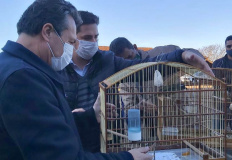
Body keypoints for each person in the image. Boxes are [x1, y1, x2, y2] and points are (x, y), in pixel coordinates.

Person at [0, 1, 152, 160]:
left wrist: (90, 116)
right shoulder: (23, 79)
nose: (73, 48)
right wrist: (128, 157)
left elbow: (44, 130)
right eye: (71, 41)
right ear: (48, 32)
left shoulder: (11, 66)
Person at [60, 11, 214, 153]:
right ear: (71, 39)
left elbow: (143, 68)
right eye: (87, 38)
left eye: (96, 37)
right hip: (69, 140)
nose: (93, 42)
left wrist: (181, 56)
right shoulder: (56, 65)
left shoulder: (107, 61)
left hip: (107, 141)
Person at [109, 37, 180, 60]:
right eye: (124, 61)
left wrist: (185, 55)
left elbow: (186, 52)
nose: (129, 62)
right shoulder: (124, 79)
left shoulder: (159, 52)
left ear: (135, 48)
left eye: (130, 56)